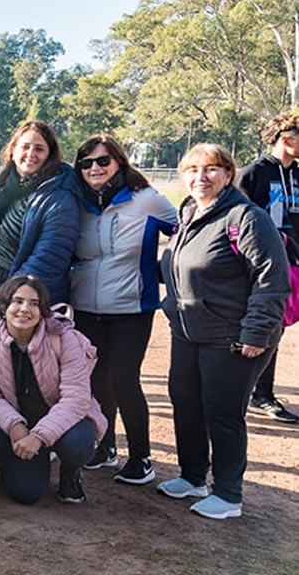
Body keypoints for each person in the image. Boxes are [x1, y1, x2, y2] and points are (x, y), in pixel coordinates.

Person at [158, 143, 289, 520]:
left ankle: (229, 494)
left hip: (231, 336)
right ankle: (193, 476)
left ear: (229, 174)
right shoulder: (189, 213)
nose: (201, 177)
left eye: (211, 169)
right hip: (188, 331)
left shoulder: (246, 218)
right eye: (193, 170)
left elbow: (272, 280)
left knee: (223, 413)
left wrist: (256, 332)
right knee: (185, 403)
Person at [69, 135, 177, 483]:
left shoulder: (147, 201)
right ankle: (104, 447)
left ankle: (141, 458)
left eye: (103, 161)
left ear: (119, 161)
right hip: (86, 307)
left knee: (124, 379)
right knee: (95, 379)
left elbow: (187, 229)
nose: (95, 168)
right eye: (86, 163)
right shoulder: (78, 205)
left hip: (132, 307)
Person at [0, 275, 107, 505]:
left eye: (34, 304)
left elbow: (75, 398)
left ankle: (70, 472)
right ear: (4, 306)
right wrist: (15, 426)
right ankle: (11, 457)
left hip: (60, 418)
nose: (25, 309)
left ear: (42, 310)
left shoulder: (64, 339)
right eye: (17, 301)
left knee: (78, 444)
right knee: (26, 493)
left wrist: (39, 436)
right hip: (19, 421)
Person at [0, 120, 81, 317]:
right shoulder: (2, 186)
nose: (31, 154)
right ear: (13, 149)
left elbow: (48, 259)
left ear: (50, 155)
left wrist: (1, 298)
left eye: (39, 149)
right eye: (25, 147)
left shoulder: (60, 197)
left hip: (26, 304)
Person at [237, 111, 299, 424]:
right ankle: (259, 394)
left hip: (295, 262)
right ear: (286, 138)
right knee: (266, 324)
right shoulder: (253, 174)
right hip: (262, 265)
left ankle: (259, 392)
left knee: (279, 327)